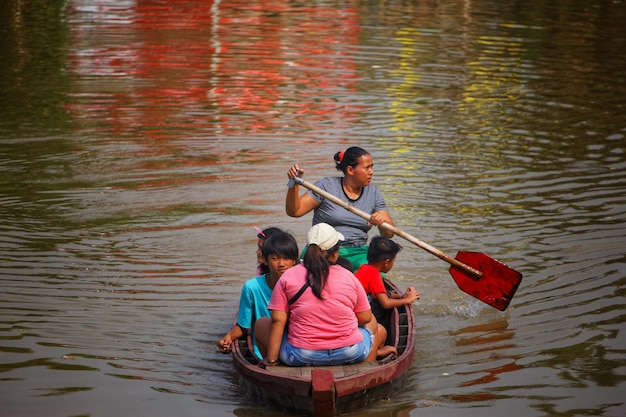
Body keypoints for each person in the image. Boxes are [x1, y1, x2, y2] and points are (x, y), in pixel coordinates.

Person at [254, 223, 396, 367]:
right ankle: (367, 367)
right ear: (335, 254)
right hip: (350, 352)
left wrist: (271, 359)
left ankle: (274, 366)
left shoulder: (288, 276)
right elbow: (364, 317)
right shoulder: (348, 276)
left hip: (301, 355)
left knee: (261, 324)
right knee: (371, 320)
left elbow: (278, 320)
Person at [286, 146, 395, 270]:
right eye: (367, 168)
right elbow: (294, 211)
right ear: (350, 170)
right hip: (323, 249)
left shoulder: (373, 193)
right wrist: (293, 185)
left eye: (372, 167)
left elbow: (389, 233)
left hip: (357, 252)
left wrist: (381, 222)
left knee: (372, 271)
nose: (371, 172)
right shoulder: (326, 187)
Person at [218, 231, 299, 358]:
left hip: (297, 345)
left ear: (294, 261)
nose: (282, 264)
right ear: (265, 261)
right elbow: (243, 325)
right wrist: (229, 337)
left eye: (286, 258)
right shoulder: (252, 288)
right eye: (275, 258)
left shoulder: (304, 286)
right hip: (265, 349)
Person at [355, 236, 420, 330]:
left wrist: (401, 296)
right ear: (387, 262)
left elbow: (381, 294)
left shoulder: (364, 268)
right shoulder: (374, 274)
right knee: (387, 310)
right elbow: (386, 303)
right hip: (360, 314)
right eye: (393, 261)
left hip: (356, 308)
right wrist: (407, 300)